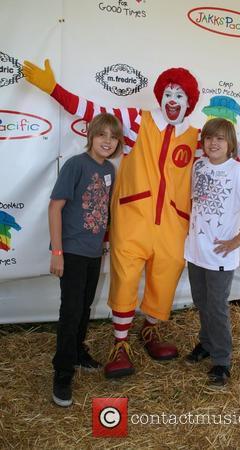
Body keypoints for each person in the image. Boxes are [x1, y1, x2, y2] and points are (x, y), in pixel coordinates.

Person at [22, 59, 240, 379]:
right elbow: (92, 111)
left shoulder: (196, 137)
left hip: (173, 224)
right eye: (168, 92)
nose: (173, 99)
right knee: (125, 278)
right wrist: (53, 89)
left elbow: (231, 155)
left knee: (164, 279)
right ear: (159, 96)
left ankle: (150, 330)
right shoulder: (138, 121)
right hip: (132, 219)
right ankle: (120, 344)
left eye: (180, 94)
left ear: (189, 103)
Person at [184, 118, 240, 388]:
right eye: (210, 137)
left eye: (221, 138)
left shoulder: (238, 172)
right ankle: (207, 344)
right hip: (195, 252)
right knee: (201, 302)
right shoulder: (198, 166)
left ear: (230, 144)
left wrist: (237, 240)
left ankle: (222, 360)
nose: (214, 143)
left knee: (217, 308)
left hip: (220, 257)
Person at [49, 113, 123, 406]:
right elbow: (55, 208)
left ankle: (77, 352)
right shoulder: (75, 165)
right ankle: (62, 373)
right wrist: (57, 251)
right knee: (70, 312)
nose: (107, 141)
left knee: (84, 308)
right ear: (91, 136)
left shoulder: (110, 170)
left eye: (113, 136)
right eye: (102, 135)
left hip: (93, 253)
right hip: (72, 251)